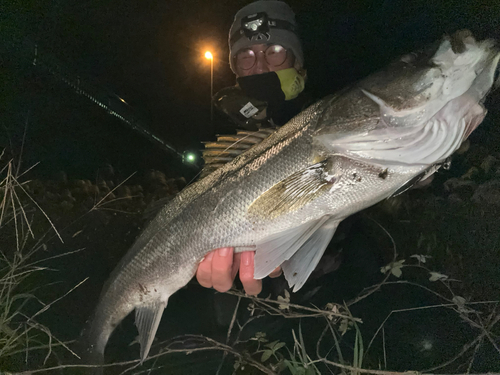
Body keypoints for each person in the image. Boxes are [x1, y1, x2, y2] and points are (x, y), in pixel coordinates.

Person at [196, 0, 309, 296]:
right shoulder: (214, 124)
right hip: (244, 293)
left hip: (330, 285)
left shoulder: (321, 114)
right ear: (234, 69)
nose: (260, 66)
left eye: (275, 52)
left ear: (297, 60)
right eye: (246, 56)